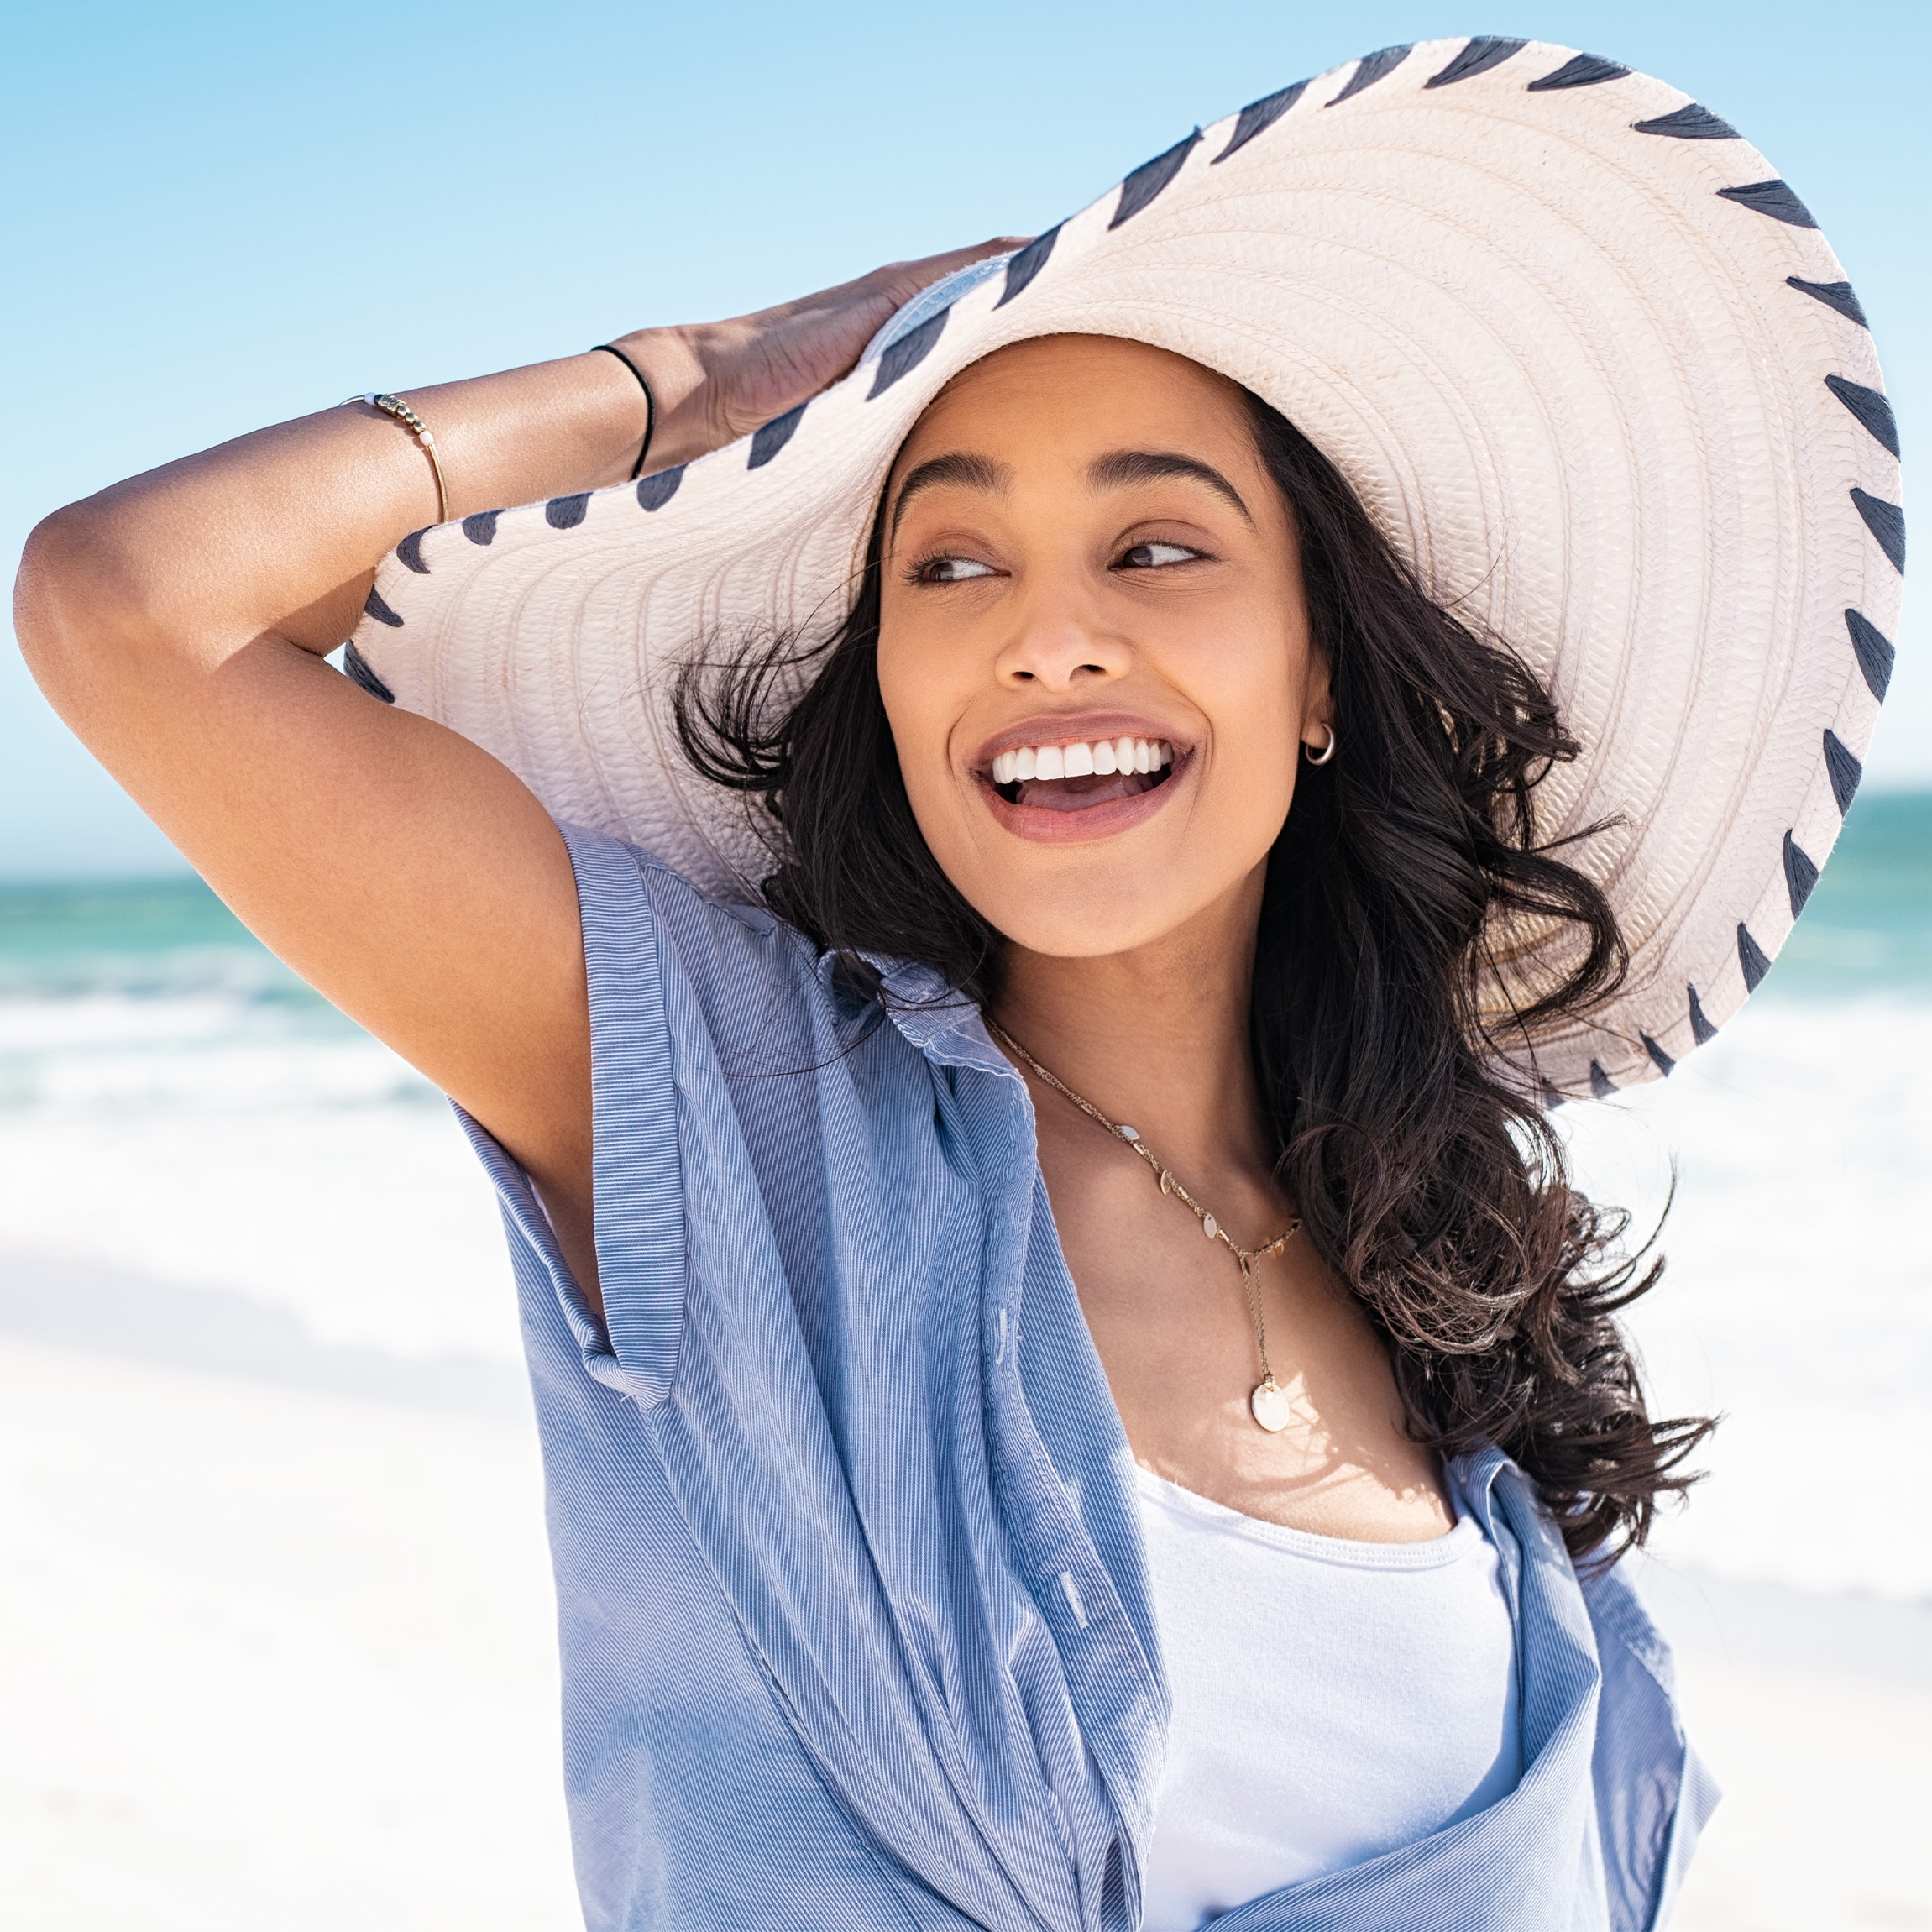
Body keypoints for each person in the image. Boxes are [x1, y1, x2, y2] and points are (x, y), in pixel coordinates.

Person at [15, 35, 1900, 1932]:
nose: (1047, 635)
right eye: (949, 563)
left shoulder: (1446, 1287)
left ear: (1317, 673)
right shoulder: (735, 1118)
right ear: (891, 689)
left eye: (1157, 545)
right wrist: (686, 382)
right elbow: (132, 605)